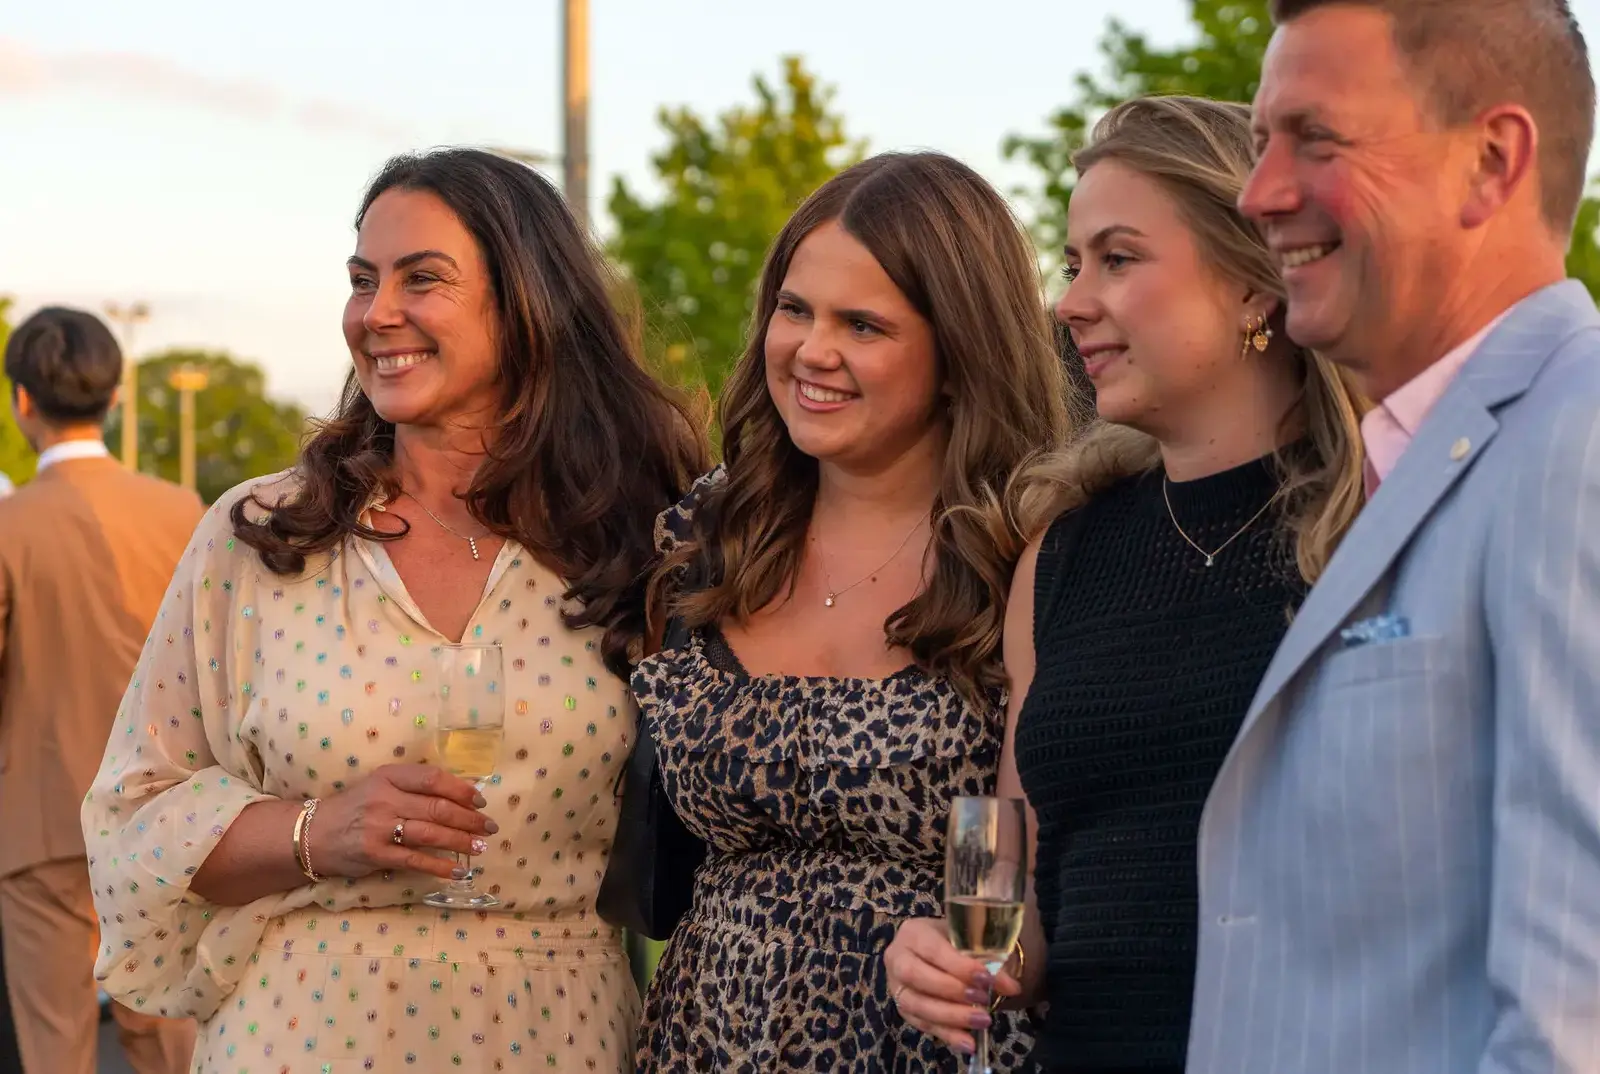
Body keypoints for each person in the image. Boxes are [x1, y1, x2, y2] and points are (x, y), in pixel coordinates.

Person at [81, 148, 708, 1073]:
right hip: (303, 1036)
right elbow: (135, 817)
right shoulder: (261, 537)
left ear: (526, 302)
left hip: (557, 1036)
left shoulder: (640, 539)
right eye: (362, 280)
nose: (377, 315)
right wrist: (313, 833)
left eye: (424, 279)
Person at [882, 96, 1369, 1073]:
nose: (1068, 303)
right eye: (1072, 265)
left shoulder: (1385, 524)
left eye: (1117, 258)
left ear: (1253, 283)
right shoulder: (1057, 555)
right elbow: (1016, 908)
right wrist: (942, 954)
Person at [1183, 2, 1600, 1072]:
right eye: (1262, 141)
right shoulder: (1419, 458)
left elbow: (1574, 1019)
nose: (1258, 192)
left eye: (1314, 140)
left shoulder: (1577, 440)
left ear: (1491, 160)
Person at [629, 151, 1071, 1071]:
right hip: (708, 1035)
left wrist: (990, 959)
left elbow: (1036, 890)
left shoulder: (1037, 550)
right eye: (795, 310)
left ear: (960, 352)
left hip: (936, 1038)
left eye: (862, 324)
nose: (811, 351)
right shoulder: (703, 537)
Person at [0, 307, 201, 1074]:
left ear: (23, 401)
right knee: (166, 1041)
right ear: (114, 397)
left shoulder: (10, 523)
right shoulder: (180, 511)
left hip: (40, 823)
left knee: (56, 1046)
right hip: (163, 816)